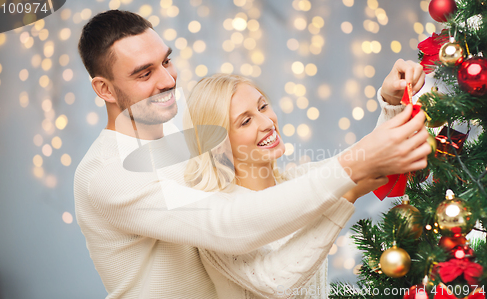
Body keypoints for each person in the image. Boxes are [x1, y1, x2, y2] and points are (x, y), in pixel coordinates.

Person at [74, 10, 430, 299]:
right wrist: (353, 170)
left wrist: (391, 107)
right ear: (104, 88)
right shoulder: (110, 175)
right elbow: (228, 224)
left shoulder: (177, 125)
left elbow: (287, 181)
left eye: (166, 61)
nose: (167, 80)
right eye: (144, 73)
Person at [181, 74, 423, 299]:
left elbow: (364, 156)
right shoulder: (215, 217)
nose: (267, 122)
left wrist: (392, 101)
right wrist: (346, 197)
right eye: (246, 121)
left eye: (263, 106)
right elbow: (276, 282)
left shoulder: (300, 181)